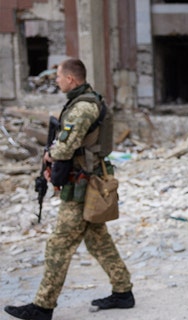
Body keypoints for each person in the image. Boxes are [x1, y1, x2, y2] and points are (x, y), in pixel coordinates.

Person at [4, 58, 134, 320]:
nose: (56, 81)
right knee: (98, 240)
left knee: (59, 244)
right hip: (86, 180)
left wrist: (50, 156)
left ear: (71, 79)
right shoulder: (84, 101)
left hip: (82, 185)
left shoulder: (83, 107)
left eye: (59, 77)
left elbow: (65, 146)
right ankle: (123, 291)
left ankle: (43, 306)